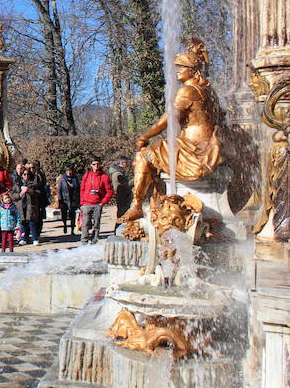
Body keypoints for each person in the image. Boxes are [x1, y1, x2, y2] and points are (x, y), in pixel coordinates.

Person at [119, 39, 223, 222]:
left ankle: (136, 206)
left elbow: (167, 120)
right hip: (208, 144)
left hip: (192, 147)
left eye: (181, 67)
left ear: (192, 70)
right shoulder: (209, 91)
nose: (177, 71)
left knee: (143, 156)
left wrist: (145, 136)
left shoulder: (187, 91)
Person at [80, 158, 114, 245]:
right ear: (91, 165)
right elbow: (82, 189)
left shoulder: (104, 177)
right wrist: (82, 203)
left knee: (96, 224)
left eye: (98, 164)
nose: (96, 166)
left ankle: (94, 240)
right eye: (94, 164)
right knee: (85, 223)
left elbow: (109, 192)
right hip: (87, 203)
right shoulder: (87, 175)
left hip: (97, 204)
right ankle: (84, 241)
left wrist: (102, 203)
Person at [11, 168, 44, 246]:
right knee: (22, 223)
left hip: (31, 205)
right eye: (24, 174)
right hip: (21, 206)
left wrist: (28, 190)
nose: (26, 176)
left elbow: (38, 193)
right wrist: (19, 195)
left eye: (28, 174)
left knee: (32, 222)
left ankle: (35, 238)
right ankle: (23, 238)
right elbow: (12, 195)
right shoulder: (17, 184)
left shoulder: (34, 183)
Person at [56, 166, 80, 235]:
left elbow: (78, 189)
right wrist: (60, 200)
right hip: (64, 200)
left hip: (73, 199)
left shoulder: (75, 179)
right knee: (64, 214)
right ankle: (65, 225)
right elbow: (58, 190)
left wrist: (79, 199)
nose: (69, 172)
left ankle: (72, 230)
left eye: (70, 170)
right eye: (67, 171)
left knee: (73, 215)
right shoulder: (62, 179)